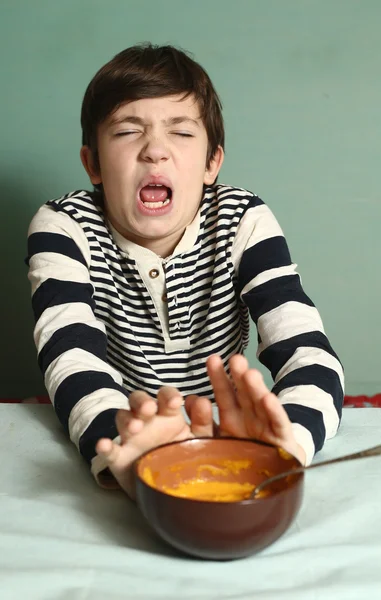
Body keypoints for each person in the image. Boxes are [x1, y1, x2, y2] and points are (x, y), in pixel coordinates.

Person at [26, 43, 344, 499]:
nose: (155, 151)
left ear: (212, 162)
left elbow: (309, 356)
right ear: (93, 163)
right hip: (128, 432)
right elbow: (72, 361)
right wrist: (128, 449)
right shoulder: (63, 227)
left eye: (181, 132)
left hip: (228, 436)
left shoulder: (243, 220)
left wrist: (284, 444)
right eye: (127, 132)